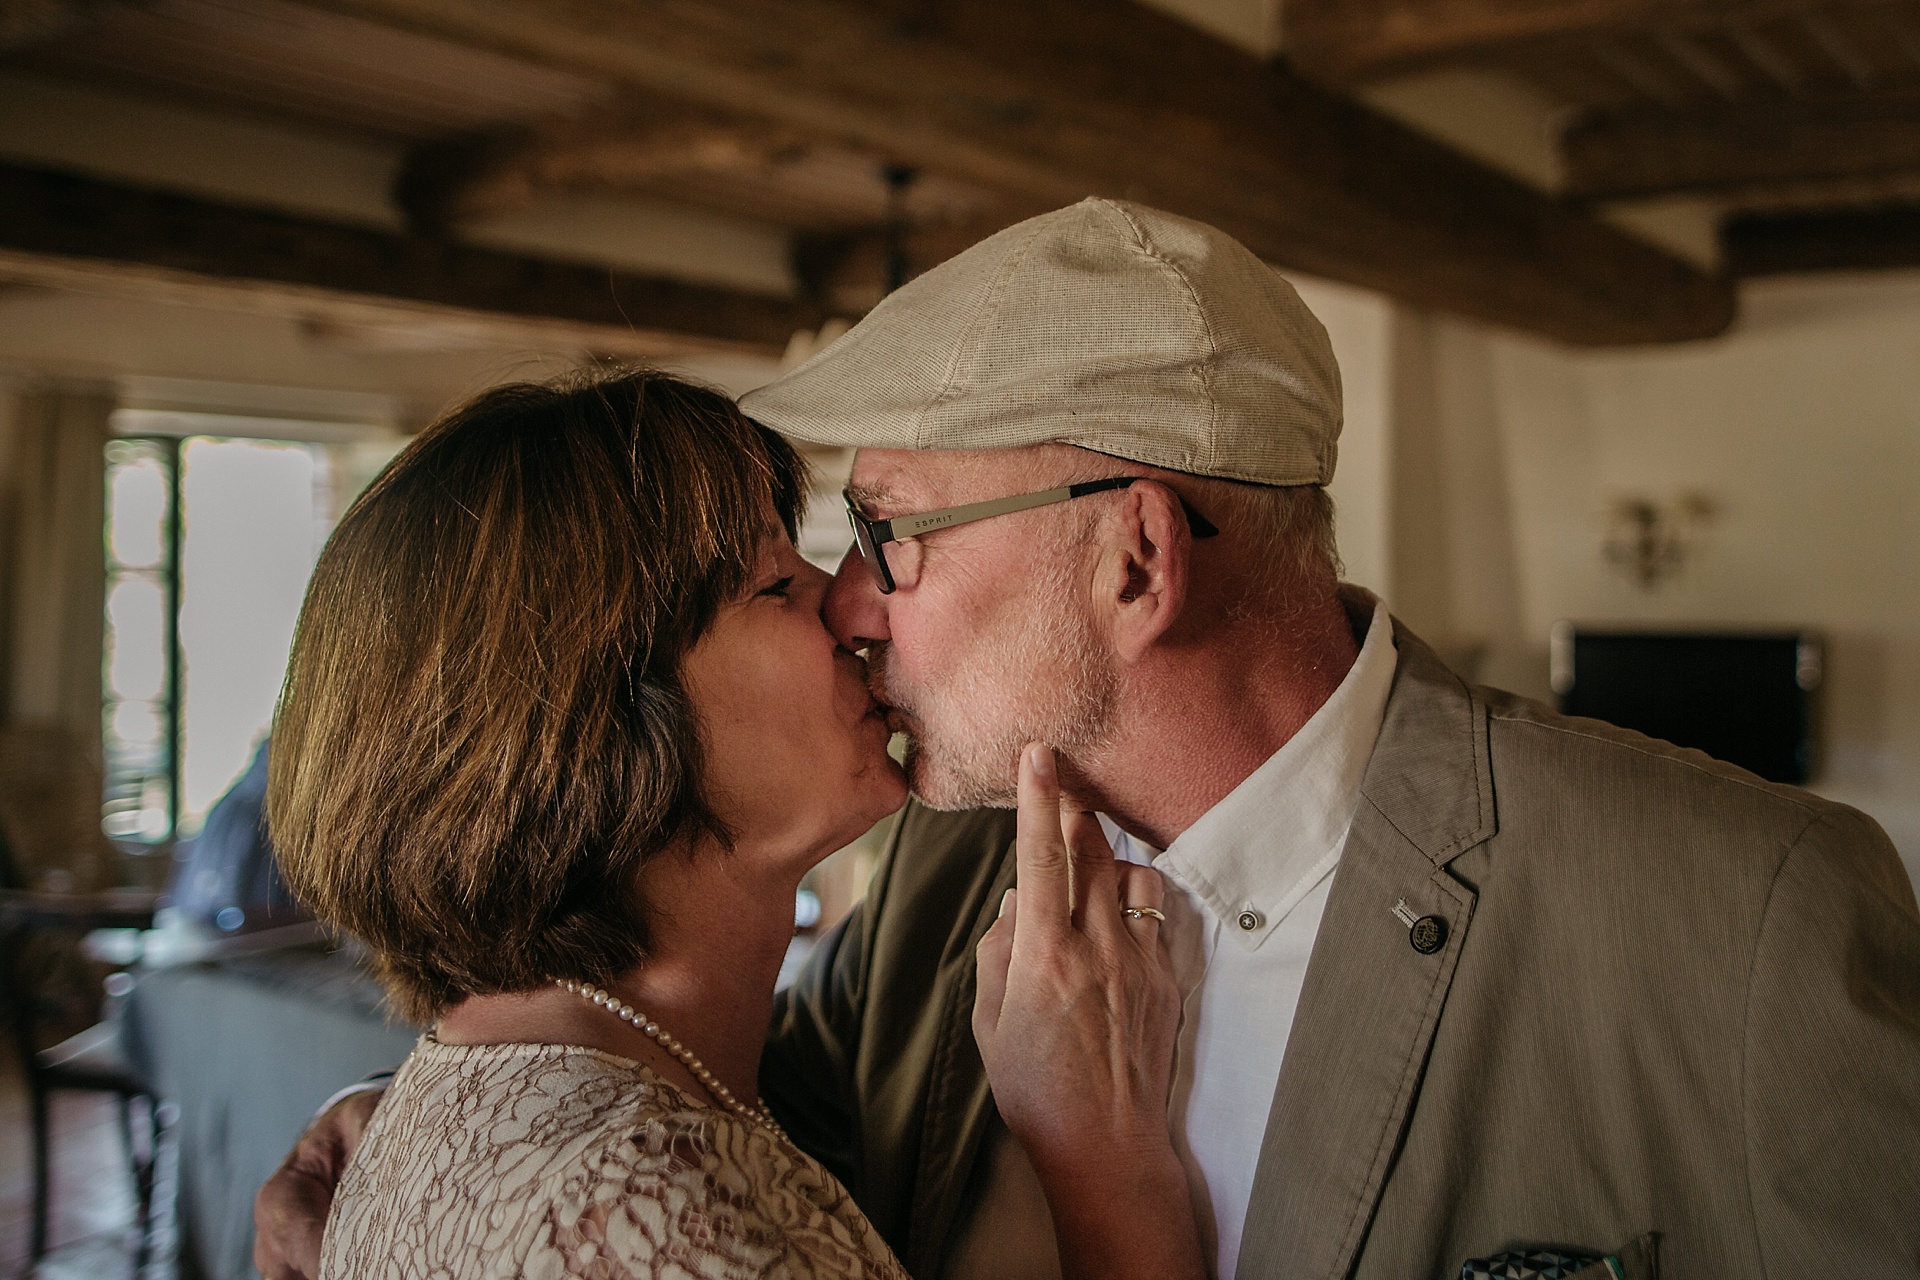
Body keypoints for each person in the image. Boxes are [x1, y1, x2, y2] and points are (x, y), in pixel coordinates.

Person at [259, 201, 1920, 1279]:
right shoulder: (927, 884)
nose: (848, 601)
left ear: (1132, 555)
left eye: (892, 530)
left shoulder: (1747, 921)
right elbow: (700, 1138)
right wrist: (429, 1134)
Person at [262, 368, 1205, 1279]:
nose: (847, 602)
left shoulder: (574, 1095)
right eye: (775, 583)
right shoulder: (649, 1223)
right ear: (599, 726)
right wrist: (1107, 1180)